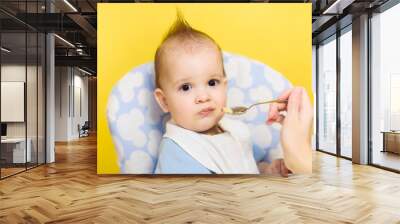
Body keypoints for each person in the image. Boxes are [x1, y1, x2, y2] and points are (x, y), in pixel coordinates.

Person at [153, 13, 312, 175]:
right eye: (186, 87)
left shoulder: (235, 130)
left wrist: (268, 171)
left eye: (212, 83)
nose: (203, 97)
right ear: (164, 101)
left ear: (225, 86)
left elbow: (248, 164)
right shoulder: (176, 150)